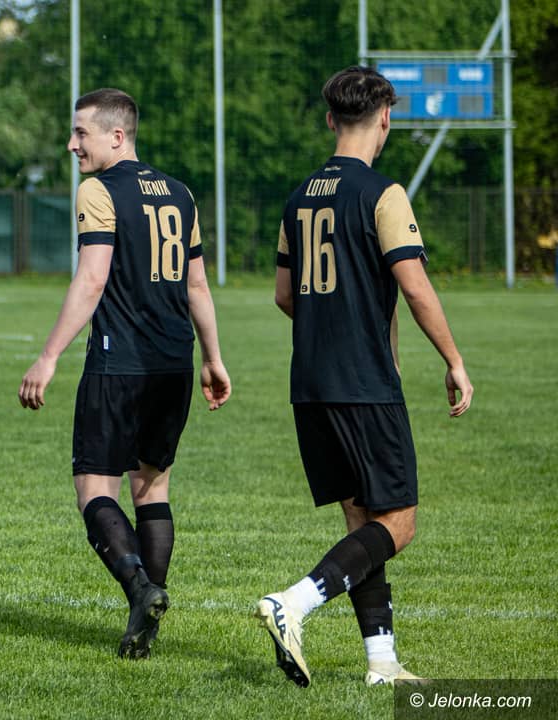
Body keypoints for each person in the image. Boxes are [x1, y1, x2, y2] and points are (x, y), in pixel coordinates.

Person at [256, 65, 473, 688]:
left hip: (310, 382)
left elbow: (284, 295)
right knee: (398, 522)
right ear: (385, 117)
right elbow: (415, 286)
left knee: (362, 521)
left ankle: (382, 663)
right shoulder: (383, 193)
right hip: (363, 382)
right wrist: (454, 361)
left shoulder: (299, 197)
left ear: (331, 119)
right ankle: (294, 602)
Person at [18, 88, 230, 660]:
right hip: (174, 361)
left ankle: (140, 589)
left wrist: (49, 355)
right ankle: (145, 625)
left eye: (80, 133)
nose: (72, 144)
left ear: (117, 136)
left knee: (94, 487)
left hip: (120, 362)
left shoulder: (99, 189)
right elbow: (197, 285)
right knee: (153, 486)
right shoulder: (180, 193)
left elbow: (92, 279)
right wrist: (212, 358)